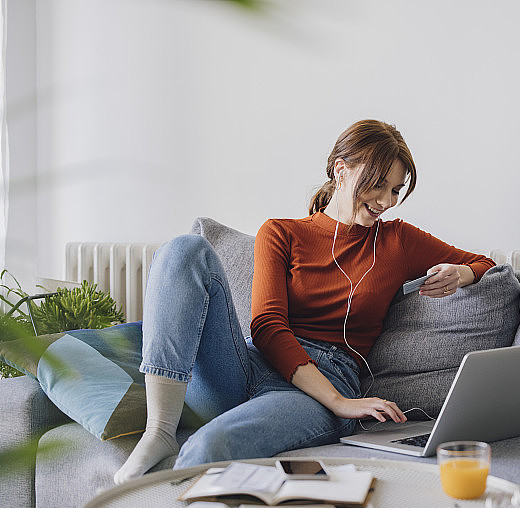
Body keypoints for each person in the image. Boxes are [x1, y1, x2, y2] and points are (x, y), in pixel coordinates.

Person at [114, 119, 496, 484]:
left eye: (395, 190)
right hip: (248, 365)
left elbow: (485, 263)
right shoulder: (281, 233)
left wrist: (461, 274)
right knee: (185, 249)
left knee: (209, 448)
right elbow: (267, 327)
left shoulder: (399, 241)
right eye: (378, 184)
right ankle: (159, 430)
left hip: (323, 382)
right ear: (341, 170)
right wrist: (339, 402)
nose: (386, 201)